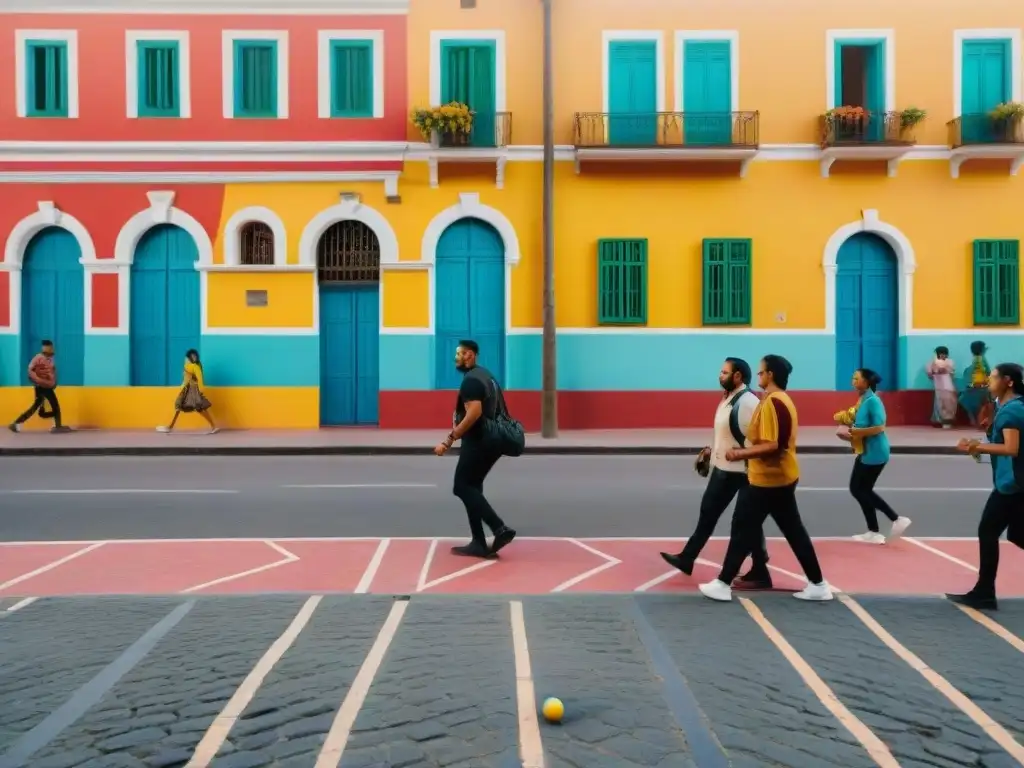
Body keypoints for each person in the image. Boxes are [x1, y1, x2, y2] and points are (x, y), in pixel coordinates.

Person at [699, 354, 832, 602]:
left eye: (761, 372)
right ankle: (818, 584)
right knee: (791, 531)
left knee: (742, 528)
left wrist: (739, 453)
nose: (758, 376)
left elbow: (773, 445)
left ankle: (723, 583)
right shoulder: (778, 400)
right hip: (778, 478)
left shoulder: (773, 403)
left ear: (770, 375)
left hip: (768, 480)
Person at [660, 357, 773, 590]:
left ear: (738, 376)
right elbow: (728, 431)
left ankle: (759, 568)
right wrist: (713, 450)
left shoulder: (749, 402)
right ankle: (688, 558)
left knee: (743, 523)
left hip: (742, 472)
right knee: (708, 514)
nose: (720, 376)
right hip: (722, 468)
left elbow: (760, 439)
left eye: (724, 372)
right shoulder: (727, 399)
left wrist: (742, 456)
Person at [949, 362, 1024, 611]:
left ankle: (984, 593)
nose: (988, 382)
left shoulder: (1011, 411)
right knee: (1017, 534)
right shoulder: (1006, 406)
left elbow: (1011, 449)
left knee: (988, 531)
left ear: (1008, 381)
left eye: (993, 378)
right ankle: (984, 592)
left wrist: (975, 446)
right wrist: (981, 444)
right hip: (1012, 483)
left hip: (1012, 485)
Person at [434, 340, 517, 559]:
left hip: (480, 441)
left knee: (461, 487)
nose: (455, 358)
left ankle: (499, 528)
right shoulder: (486, 375)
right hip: (491, 441)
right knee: (472, 488)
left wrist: (449, 439)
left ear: (470, 355)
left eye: (459, 354)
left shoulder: (471, 381)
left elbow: (474, 413)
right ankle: (478, 542)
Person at [836, 368, 912, 544]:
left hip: (875, 452)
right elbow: (859, 423)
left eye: (857, 378)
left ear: (867, 382)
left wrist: (854, 432)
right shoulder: (863, 400)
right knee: (862, 490)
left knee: (858, 489)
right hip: (867, 450)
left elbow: (879, 427)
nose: (853, 381)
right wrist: (847, 430)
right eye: (853, 378)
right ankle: (874, 531)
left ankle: (895, 519)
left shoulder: (873, 401)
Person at [8, 340, 69, 433]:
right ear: (46, 348)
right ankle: (57, 426)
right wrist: (37, 381)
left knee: (38, 407)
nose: (51, 349)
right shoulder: (38, 358)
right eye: (50, 347)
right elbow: (30, 371)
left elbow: (52, 373)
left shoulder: (50, 359)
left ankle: (17, 422)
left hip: (47, 387)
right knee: (54, 406)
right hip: (42, 387)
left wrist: (54, 383)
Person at [157, 349, 218, 434]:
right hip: (188, 389)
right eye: (192, 356)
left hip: (192, 390)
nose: (193, 358)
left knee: (197, 407)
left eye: (194, 356)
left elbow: (199, 378)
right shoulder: (191, 365)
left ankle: (213, 426)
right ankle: (170, 426)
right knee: (181, 405)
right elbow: (187, 378)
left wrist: (200, 390)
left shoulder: (194, 366)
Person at [959, 340, 992, 428]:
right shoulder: (982, 359)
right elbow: (987, 372)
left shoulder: (975, 360)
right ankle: (979, 421)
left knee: (967, 401)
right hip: (982, 386)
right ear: (982, 350)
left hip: (974, 386)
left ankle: (975, 420)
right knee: (983, 404)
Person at [926, 346, 958, 428]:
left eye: (944, 354)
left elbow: (944, 369)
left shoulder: (949, 362)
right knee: (940, 405)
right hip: (939, 388)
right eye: (940, 354)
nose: (943, 355)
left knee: (949, 405)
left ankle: (947, 422)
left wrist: (937, 363)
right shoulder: (932, 363)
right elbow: (930, 374)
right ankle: (940, 421)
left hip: (948, 387)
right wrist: (935, 361)